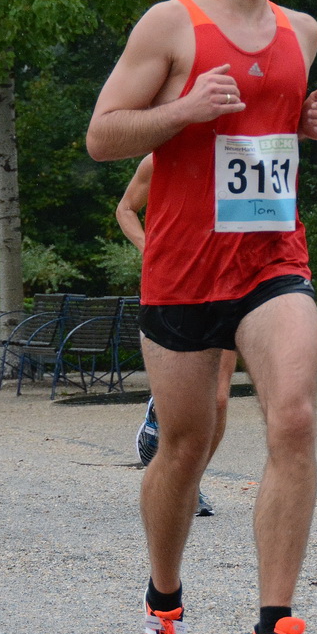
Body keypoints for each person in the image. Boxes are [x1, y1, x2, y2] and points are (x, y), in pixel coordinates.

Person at [86, 0, 317, 634]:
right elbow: (102, 136)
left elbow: (268, 125)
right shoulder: (171, 25)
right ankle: (164, 605)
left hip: (273, 261)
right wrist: (184, 110)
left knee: (294, 419)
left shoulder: (302, 31)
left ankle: (274, 630)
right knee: (186, 446)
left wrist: (305, 124)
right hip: (185, 269)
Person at [116, 154, 227, 515]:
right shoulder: (159, 160)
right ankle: (159, 413)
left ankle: (190, 484)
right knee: (187, 398)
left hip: (226, 282)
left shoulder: (238, 153)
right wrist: (151, 249)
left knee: (218, 398)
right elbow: (126, 209)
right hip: (174, 286)